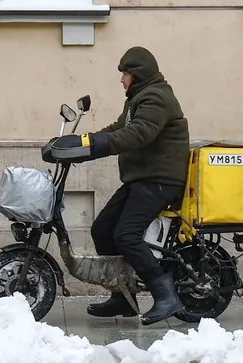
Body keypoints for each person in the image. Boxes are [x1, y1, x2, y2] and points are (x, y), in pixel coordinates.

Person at [86, 46, 190, 325]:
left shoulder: (156, 97)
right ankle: (124, 297)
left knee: (127, 235)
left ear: (138, 74)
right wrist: (83, 143)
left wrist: (100, 144)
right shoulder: (138, 99)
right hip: (141, 179)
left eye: (126, 74)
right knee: (102, 230)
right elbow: (119, 128)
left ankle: (166, 296)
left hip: (159, 180)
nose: (122, 80)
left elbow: (140, 133)